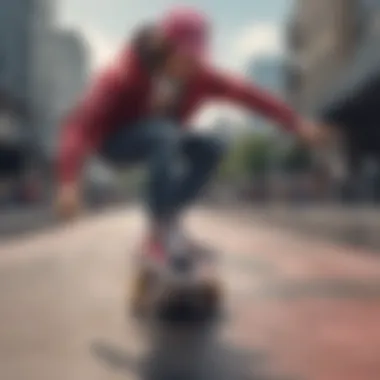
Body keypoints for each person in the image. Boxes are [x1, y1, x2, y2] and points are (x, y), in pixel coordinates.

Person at [56, 6, 329, 258]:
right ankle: (160, 234)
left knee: (213, 147)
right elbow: (79, 123)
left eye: (195, 59)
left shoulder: (200, 76)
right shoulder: (121, 74)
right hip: (114, 143)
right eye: (183, 57)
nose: (189, 67)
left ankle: (168, 224)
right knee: (163, 132)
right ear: (165, 48)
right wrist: (69, 181)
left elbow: (249, 95)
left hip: (163, 138)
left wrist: (294, 123)